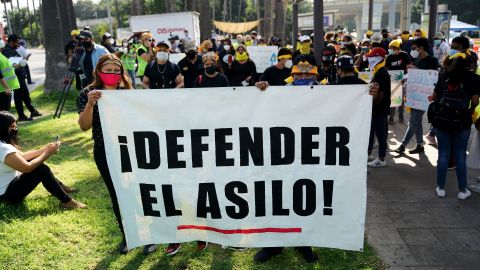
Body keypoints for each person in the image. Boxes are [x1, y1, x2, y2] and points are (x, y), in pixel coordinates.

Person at [77, 54, 133, 254]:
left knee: (137, 190)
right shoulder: (89, 93)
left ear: (121, 72)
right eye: (107, 71)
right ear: (98, 71)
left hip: (130, 148)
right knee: (117, 192)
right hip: (104, 150)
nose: (112, 74)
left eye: (116, 71)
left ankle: (147, 233)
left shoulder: (127, 90)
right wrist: (90, 104)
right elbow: (84, 126)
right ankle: (127, 236)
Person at [0, 111, 85, 208]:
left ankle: (61, 187)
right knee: (41, 169)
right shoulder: (2, 148)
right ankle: (67, 201)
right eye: (12, 127)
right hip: (6, 196)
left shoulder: (2, 144)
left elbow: (22, 157)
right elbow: (27, 168)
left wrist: (44, 149)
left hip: (8, 188)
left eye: (15, 126)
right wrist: (47, 153)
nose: (15, 130)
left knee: (35, 162)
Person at [430, 51, 479, 200]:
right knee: (460, 156)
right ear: (468, 64)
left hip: (443, 118)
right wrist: (469, 110)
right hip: (462, 120)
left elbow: (436, 95)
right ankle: (463, 190)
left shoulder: (444, 75)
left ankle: (441, 188)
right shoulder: (474, 78)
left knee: (443, 154)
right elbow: (476, 100)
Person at [395, 37, 440, 155]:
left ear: (421, 48)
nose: (412, 50)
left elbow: (431, 77)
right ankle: (420, 144)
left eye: (414, 48)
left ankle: (403, 145)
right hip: (415, 96)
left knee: (413, 121)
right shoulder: (417, 61)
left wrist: (415, 69)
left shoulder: (433, 60)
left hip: (425, 97)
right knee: (417, 121)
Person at [2, 34, 41, 122]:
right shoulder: (7, 51)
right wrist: (18, 64)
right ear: (12, 42)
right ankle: (21, 115)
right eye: (17, 43)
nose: (19, 45)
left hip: (20, 77)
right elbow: (11, 64)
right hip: (16, 78)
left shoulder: (12, 49)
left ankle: (32, 111)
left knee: (25, 95)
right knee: (18, 97)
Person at [366, 47, 391, 168]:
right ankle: (370, 154)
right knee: (372, 132)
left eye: (371, 56)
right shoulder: (379, 72)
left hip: (379, 110)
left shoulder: (381, 73)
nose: (369, 58)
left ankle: (381, 159)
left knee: (381, 135)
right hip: (378, 109)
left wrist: (371, 105)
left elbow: (380, 94)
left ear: (378, 58)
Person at [385, 39, 411, 124]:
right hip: (393, 80)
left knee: (402, 100)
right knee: (394, 99)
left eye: (393, 48)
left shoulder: (404, 55)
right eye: (390, 48)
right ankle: (391, 118)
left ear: (398, 48)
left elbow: (408, 67)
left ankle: (401, 116)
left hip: (403, 79)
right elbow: (387, 69)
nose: (391, 50)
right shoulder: (389, 57)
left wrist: (405, 78)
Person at [0, 41, 19, 111]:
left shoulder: (1, 56)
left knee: (5, 112)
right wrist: (6, 88)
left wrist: (13, 65)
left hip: (4, 89)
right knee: (4, 113)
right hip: (2, 90)